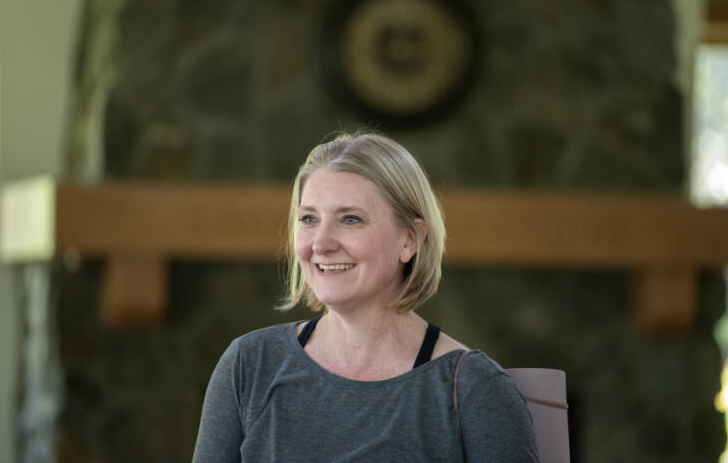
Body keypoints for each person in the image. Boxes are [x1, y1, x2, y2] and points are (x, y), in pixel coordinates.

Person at [192, 132, 538, 463]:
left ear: (410, 239)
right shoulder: (248, 365)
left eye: (350, 219)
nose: (321, 244)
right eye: (309, 218)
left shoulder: (475, 388)